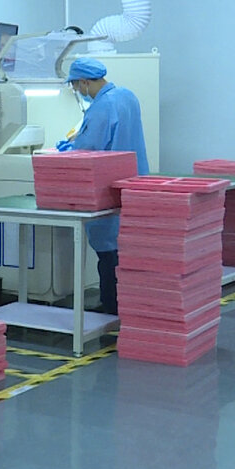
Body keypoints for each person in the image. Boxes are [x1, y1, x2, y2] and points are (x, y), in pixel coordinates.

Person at [61, 57, 148, 316]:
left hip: (108, 188)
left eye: (76, 86)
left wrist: (69, 149)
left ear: (84, 82)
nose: (77, 90)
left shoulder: (101, 107)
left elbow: (89, 148)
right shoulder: (127, 96)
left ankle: (111, 309)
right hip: (135, 183)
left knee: (109, 254)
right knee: (126, 250)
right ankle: (127, 306)